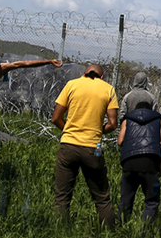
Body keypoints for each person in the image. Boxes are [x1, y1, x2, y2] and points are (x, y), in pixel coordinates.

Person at [51, 64, 118, 228]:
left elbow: (56, 118)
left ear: (84, 74)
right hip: (92, 148)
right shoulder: (108, 89)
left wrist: (67, 130)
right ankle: (108, 231)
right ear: (101, 77)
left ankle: (60, 230)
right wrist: (98, 132)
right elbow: (113, 123)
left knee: (62, 196)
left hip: (68, 145)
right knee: (102, 197)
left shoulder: (72, 85)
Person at [117, 100, 161, 225]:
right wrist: (160, 163)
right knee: (151, 201)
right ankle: (146, 230)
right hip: (150, 161)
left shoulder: (127, 120)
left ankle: (122, 228)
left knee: (126, 199)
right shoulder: (158, 121)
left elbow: (120, 141)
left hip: (130, 161)